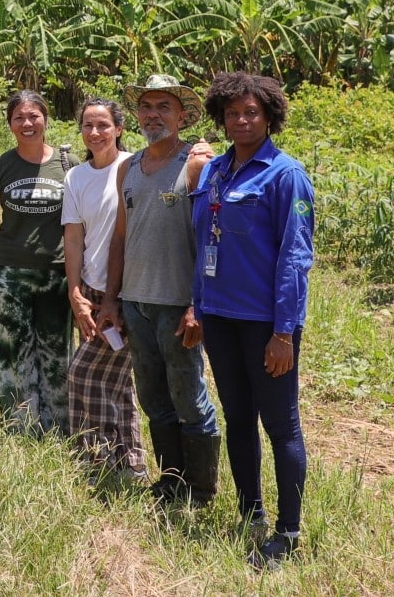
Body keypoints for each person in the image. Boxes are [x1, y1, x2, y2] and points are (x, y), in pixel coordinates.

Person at [192, 72, 316, 569]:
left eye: (251, 113)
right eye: (232, 113)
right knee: (238, 419)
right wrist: (197, 307)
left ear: (269, 117)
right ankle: (251, 512)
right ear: (220, 118)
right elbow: (203, 242)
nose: (241, 121)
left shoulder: (286, 174)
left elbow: (295, 256)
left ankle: (288, 532)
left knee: (280, 426)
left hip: (266, 324)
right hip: (219, 318)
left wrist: (284, 331)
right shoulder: (215, 171)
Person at [98, 75, 220, 504]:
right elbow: (120, 238)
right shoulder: (128, 168)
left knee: (190, 397)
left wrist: (196, 305)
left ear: (182, 116)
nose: (153, 114)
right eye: (146, 106)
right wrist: (112, 299)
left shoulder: (198, 164)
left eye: (163, 106)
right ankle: (171, 483)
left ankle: (202, 491)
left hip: (177, 305)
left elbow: (212, 238)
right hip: (135, 303)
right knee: (153, 396)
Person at [62, 98, 148, 487]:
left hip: (131, 293)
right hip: (94, 289)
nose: (94, 133)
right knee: (118, 379)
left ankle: (95, 453)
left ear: (119, 128)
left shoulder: (135, 168)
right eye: (87, 126)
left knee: (83, 373)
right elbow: (74, 238)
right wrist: (76, 292)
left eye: (102, 125)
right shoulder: (77, 177)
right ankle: (129, 462)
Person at [0, 90, 72, 435]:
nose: (27, 123)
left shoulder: (67, 166)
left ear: (46, 119)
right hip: (8, 273)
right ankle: (20, 428)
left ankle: (58, 426)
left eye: (34, 116)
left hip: (57, 274)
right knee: (13, 351)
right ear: (10, 124)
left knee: (56, 353)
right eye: (19, 117)